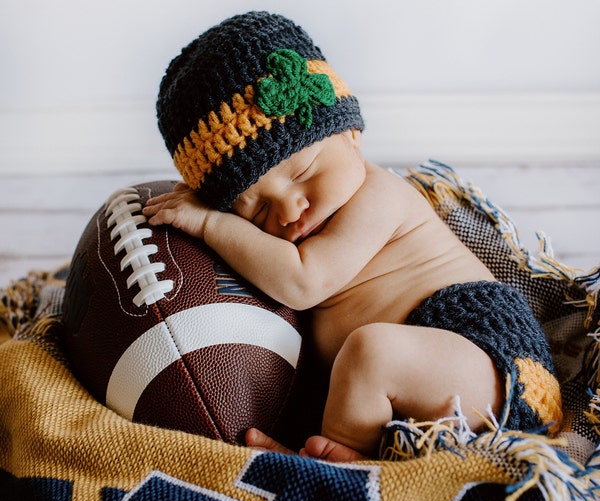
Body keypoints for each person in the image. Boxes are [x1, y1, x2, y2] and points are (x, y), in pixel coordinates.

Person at [143, 11, 562, 462]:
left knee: (371, 352)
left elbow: (304, 284)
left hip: (490, 361)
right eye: (257, 207)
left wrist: (211, 224)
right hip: (416, 396)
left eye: (304, 172)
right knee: (360, 361)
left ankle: (340, 471)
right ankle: (353, 455)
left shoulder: (379, 194)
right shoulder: (277, 239)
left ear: (350, 135)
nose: (289, 209)